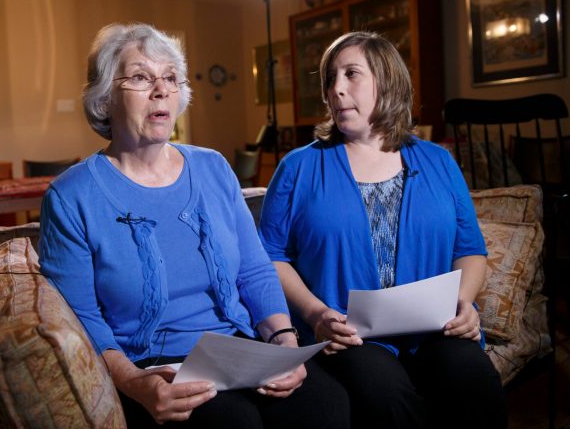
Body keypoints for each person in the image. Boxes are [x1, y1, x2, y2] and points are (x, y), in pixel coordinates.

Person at [38, 23, 349, 428]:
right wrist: (134, 382)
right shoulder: (71, 195)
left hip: (239, 349)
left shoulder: (213, 167)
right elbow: (81, 317)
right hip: (155, 366)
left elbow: (254, 271)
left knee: (327, 405)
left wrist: (284, 345)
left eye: (169, 78)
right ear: (104, 97)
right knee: (234, 422)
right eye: (140, 77)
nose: (161, 90)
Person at [258, 31, 507, 429]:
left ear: (386, 81)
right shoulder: (298, 167)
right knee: (384, 394)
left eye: (351, 74)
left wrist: (463, 303)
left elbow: (470, 247)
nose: (336, 89)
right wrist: (317, 313)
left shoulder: (438, 161)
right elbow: (269, 256)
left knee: (473, 381)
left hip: (435, 327)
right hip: (349, 336)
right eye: (330, 79)